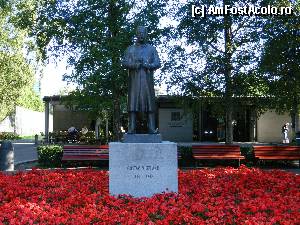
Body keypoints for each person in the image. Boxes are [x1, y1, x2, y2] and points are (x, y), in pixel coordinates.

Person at [122, 26, 161, 134]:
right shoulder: (130, 49)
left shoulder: (151, 49)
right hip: (134, 81)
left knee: (150, 104)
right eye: (139, 33)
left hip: (147, 81)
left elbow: (157, 63)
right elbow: (124, 62)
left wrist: (147, 65)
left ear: (146, 34)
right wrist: (134, 65)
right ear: (136, 35)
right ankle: (132, 127)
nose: (141, 35)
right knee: (132, 104)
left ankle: (151, 128)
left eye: (143, 33)